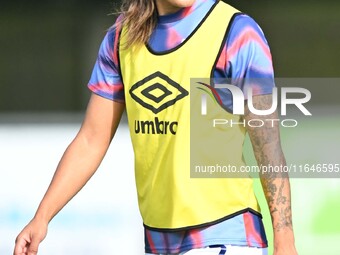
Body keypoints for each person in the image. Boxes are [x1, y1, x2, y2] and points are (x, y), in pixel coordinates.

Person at [14, 0, 298, 254]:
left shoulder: (237, 33)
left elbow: (268, 147)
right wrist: (42, 217)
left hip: (226, 234)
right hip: (157, 240)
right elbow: (91, 139)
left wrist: (284, 238)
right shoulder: (120, 39)